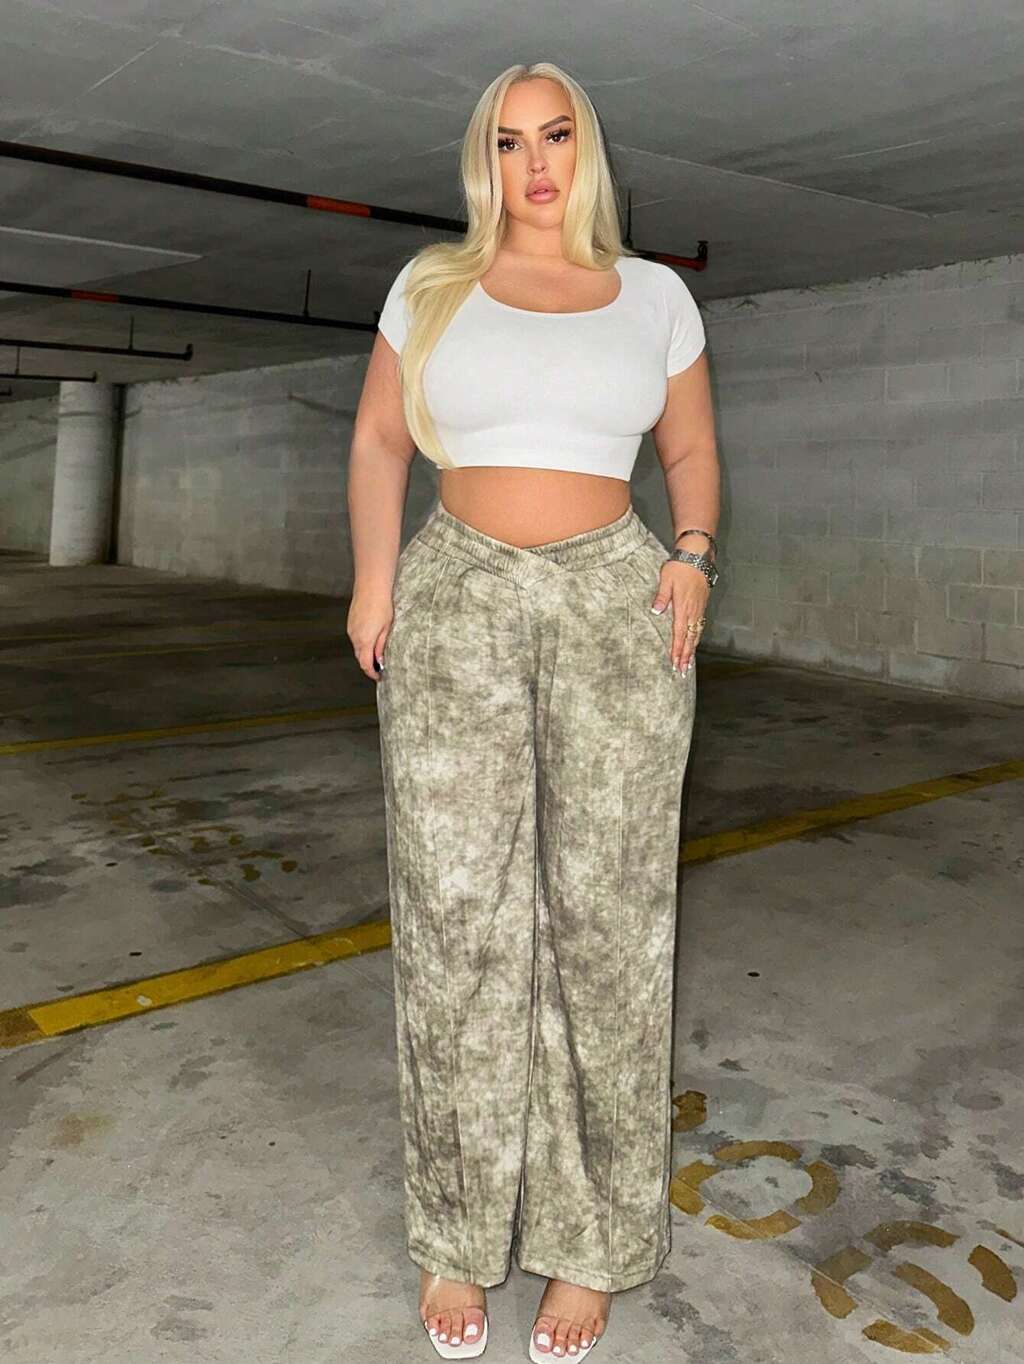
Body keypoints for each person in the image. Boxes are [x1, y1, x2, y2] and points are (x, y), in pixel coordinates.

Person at [347, 59, 720, 1362]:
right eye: (508, 143)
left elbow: (689, 449)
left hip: (618, 603)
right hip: (457, 594)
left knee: (609, 929)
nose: (536, 163)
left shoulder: (656, 296)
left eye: (556, 136)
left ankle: (589, 1251)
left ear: (587, 148)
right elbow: (381, 439)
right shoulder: (430, 285)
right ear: (484, 161)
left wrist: (695, 553)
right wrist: (376, 580)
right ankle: (456, 1237)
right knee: (454, 917)